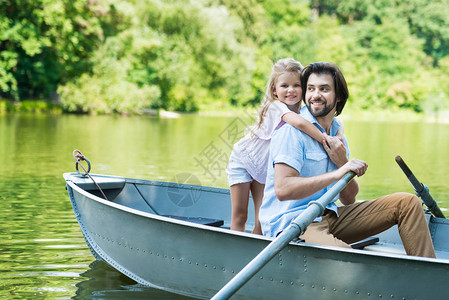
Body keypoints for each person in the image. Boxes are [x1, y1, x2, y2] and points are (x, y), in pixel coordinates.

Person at [259, 62, 436, 258]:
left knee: (408, 203)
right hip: (293, 223)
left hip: (330, 216)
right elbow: (283, 189)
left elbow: (348, 199)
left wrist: (342, 162)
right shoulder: (291, 132)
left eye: (324, 89)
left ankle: (428, 279)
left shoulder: (337, 134)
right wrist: (339, 172)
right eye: (310, 89)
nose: (315, 95)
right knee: (347, 258)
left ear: (339, 97)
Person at [226, 58, 344, 234]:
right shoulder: (276, 107)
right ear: (274, 90)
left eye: (297, 85)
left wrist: (339, 136)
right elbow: (302, 124)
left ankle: (261, 254)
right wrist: (326, 139)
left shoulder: (303, 109)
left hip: (265, 165)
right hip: (244, 160)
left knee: (261, 217)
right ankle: (235, 252)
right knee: (240, 215)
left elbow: (338, 124)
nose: (291, 90)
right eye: (284, 86)